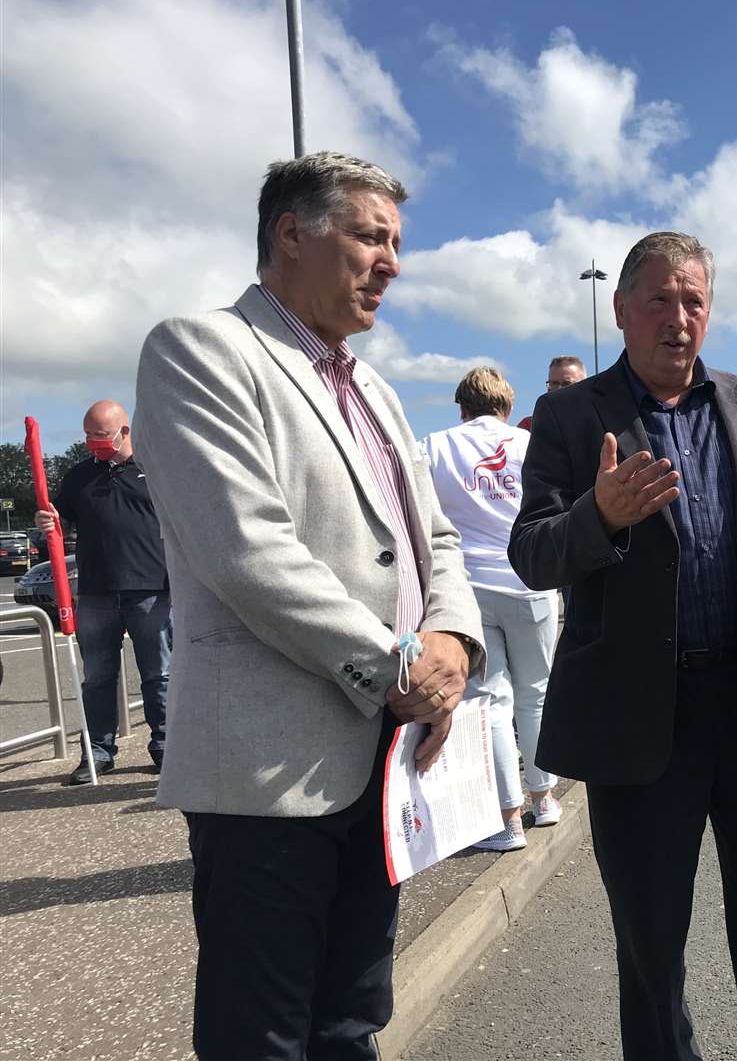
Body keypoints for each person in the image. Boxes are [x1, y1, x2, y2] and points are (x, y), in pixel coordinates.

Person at [132, 151, 485, 1061]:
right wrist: (404, 670)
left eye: (397, 241)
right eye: (372, 236)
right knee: (264, 1034)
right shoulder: (200, 350)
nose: (394, 262)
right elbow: (250, 555)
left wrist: (453, 641)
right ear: (292, 233)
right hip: (270, 771)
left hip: (384, 759)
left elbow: (433, 540)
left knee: (351, 1018)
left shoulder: (372, 386)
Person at [510, 231, 737, 1061]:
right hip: (640, 723)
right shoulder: (569, 416)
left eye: (693, 300)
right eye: (659, 299)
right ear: (620, 310)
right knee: (651, 951)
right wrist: (601, 516)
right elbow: (533, 552)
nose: (678, 317)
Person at [422, 367, 561, 852]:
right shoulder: (528, 444)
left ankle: (507, 821)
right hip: (533, 581)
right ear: (506, 405)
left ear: (461, 406)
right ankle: (543, 798)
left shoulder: (435, 446)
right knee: (537, 694)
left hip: (471, 588)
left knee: (491, 701)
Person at [36, 400, 171, 784]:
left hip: (150, 590)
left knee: (159, 674)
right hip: (95, 592)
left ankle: (165, 746)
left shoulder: (155, 469)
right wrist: (48, 519)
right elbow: (56, 518)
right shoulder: (79, 477)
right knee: (97, 676)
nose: (92, 442)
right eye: (87, 435)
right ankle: (98, 751)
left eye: (99, 435)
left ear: (124, 431)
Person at [516, 355, 587, 431]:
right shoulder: (529, 426)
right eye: (554, 383)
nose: (559, 389)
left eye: (567, 383)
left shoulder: (598, 424)